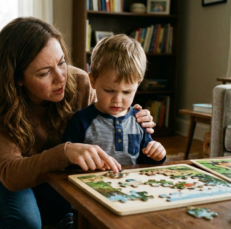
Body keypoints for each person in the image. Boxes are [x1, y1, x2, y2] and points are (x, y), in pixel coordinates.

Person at [0, 17, 156, 229]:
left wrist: (132, 115)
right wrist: (65, 152)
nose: (61, 78)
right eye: (44, 73)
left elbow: (106, 116)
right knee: (25, 228)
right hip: (4, 174)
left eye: (61, 62)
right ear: (17, 78)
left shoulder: (81, 82)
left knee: (90, 211)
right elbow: (11, 174)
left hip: (56, 172)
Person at [63, 34, 166, 165]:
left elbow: (145, 161)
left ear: (137, 85)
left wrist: (158, 155)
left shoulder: (140, 121)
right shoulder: (81, 120)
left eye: (127, 92)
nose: (117, 100)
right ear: (93, 81)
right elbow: (67, 161)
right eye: (109, 90)